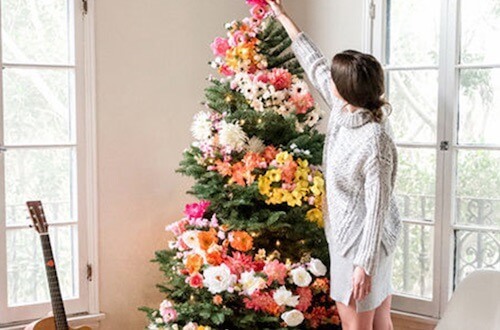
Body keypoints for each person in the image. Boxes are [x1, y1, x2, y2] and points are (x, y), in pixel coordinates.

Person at [265, 1, 403, 329]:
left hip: (365, 244)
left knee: (356, 321)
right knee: (378, 316)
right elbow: (314, 63)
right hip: (349, 238)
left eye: (335, 78)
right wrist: (283, 17)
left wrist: (363, 266)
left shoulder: (374, 139)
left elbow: (377, 208)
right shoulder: (345, 110)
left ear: (345, 90)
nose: (329, 79)